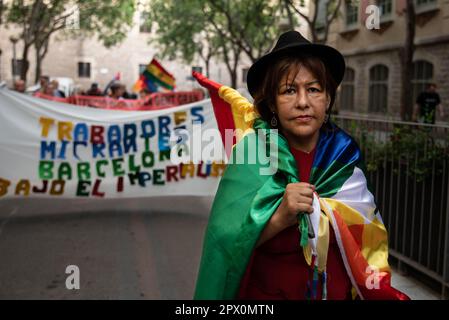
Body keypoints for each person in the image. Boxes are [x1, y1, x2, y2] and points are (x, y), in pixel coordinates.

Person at [194, 31, 410, 300]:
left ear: (328, 98)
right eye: (288, 90)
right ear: (272, 103)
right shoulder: (251, 154)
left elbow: (366, 235)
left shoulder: (344, 154)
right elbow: (224, 246)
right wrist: (280, 216)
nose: (303, 102)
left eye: (314, 89)